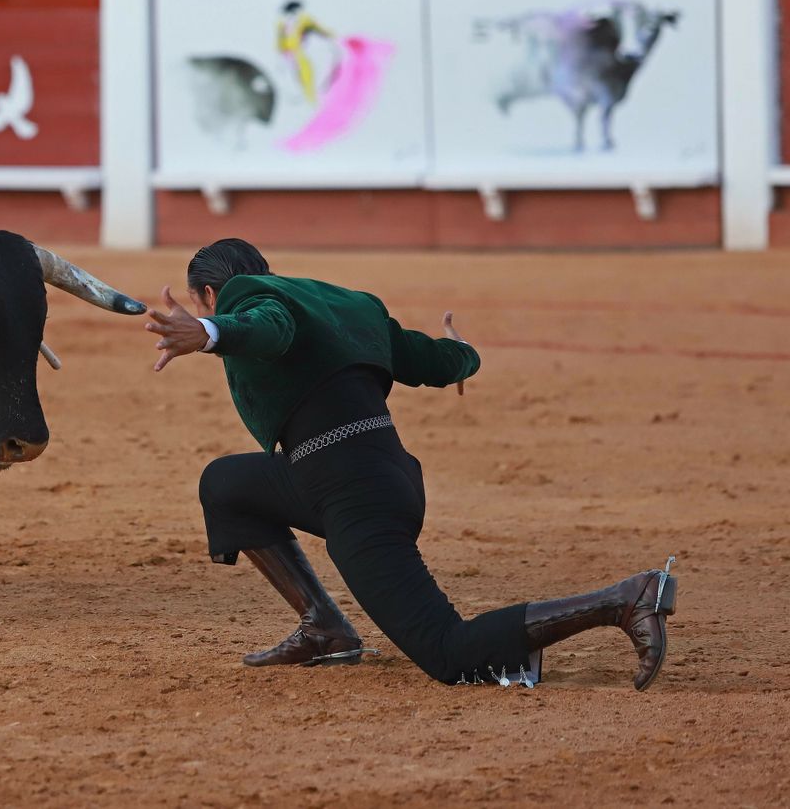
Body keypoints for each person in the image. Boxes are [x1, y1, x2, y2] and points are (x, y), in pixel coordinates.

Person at [145, 238, 677, 689]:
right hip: (368, 470)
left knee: (447, 652)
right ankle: (324, 625)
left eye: (208, 306)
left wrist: (212, 333)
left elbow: (268, 326)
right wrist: (462, 354)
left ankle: (623, 600)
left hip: (356, 493)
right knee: (226, 482)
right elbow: (426, 358)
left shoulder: (248, 301)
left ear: (211, 294)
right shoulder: (346, 302)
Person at [276, 0, 337, 105]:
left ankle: (313, 98)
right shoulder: (283, 23)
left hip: (302, 52)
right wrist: (282, 50)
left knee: (308, 73)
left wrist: (330, 35)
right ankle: (303, 96)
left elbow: (318, 29)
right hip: (289, 54)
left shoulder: (304, 20)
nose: (292, 14)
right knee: (293, 75)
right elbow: (281, 38)